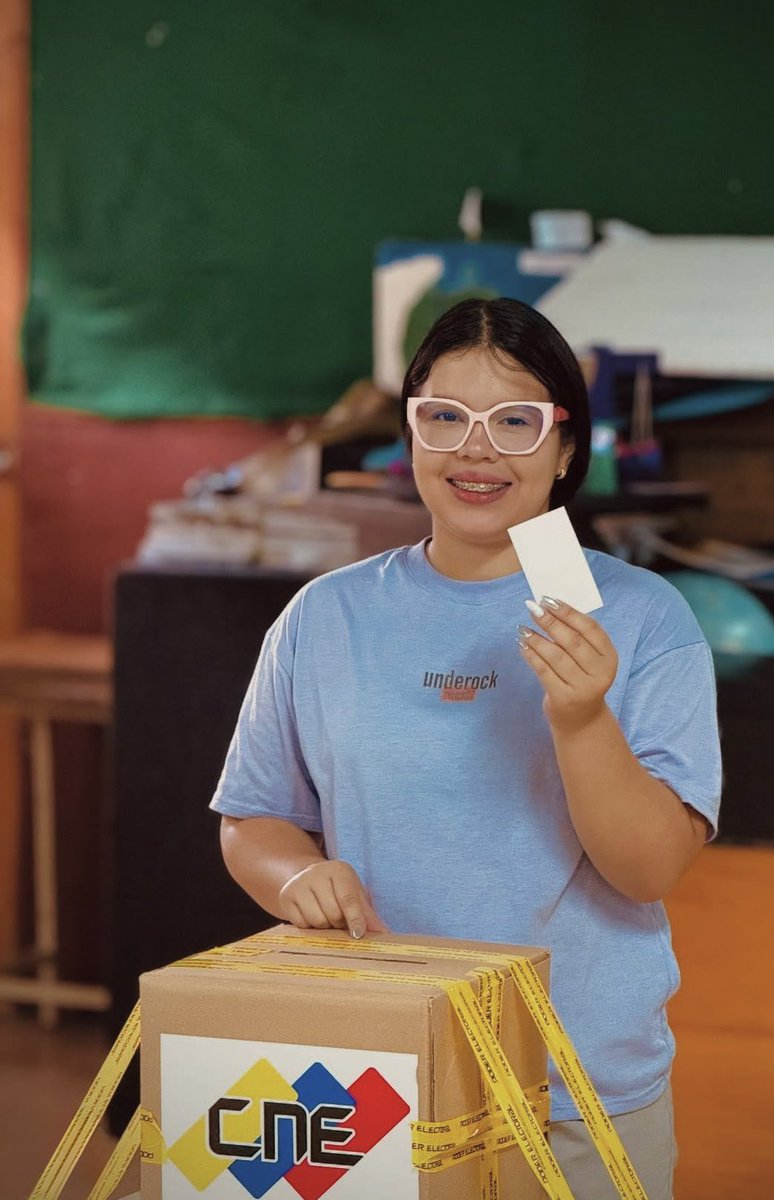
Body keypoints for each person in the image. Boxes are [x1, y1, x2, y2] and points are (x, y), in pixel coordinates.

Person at [211, 297, 722, 1200]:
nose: (474, 449)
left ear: (567, 448)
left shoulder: (645, 620)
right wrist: (294, 877)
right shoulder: (324, 616)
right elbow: (255, 818)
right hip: (371, 1076)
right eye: (443, 417)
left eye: (514, 422)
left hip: (575, 1093)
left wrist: (581, 718)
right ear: (409, 433)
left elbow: (648, 869)